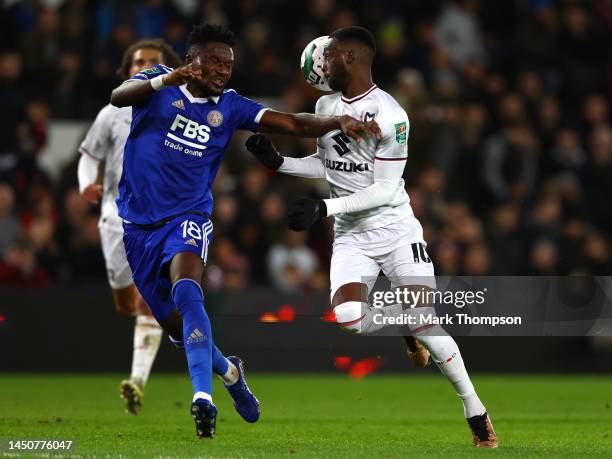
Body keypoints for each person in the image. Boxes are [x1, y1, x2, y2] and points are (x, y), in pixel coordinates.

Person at [109, 23, 379, 439]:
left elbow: (289, 122)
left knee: (187, 289)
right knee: (181, 330)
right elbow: (117, 97)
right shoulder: (155, 82)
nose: (221, 70)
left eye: (228, 64)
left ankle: (203, 399)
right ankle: (231, 373)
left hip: (187, 217)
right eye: (214, 60)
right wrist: (168, 78)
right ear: (191, 59)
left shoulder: (231, 106)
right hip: (137, 227)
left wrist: (337, 122)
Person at [246, 26, 498, 449]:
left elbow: (383, 188)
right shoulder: (326, 105)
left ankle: (475, 411)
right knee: (348, 318)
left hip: (396, 229)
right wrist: (279, 163)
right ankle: (405, 327)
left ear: (349, 57)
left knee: (426, 322)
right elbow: (330, 167)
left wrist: (324, 208)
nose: (322, 65)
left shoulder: (392, 115)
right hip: (351, 236)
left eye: (327, 56)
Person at [78, 39, 182, 415]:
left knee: (146, 303)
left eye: (154, 62)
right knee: (127, 304)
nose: (146, 66)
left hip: (158, 218)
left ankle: (136, 383)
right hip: (112, 217)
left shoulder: (179, 109)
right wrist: (85, 183)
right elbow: (90, 155)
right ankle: (158, 334)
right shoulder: (111, 113)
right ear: (127, 71)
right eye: (139, 62)